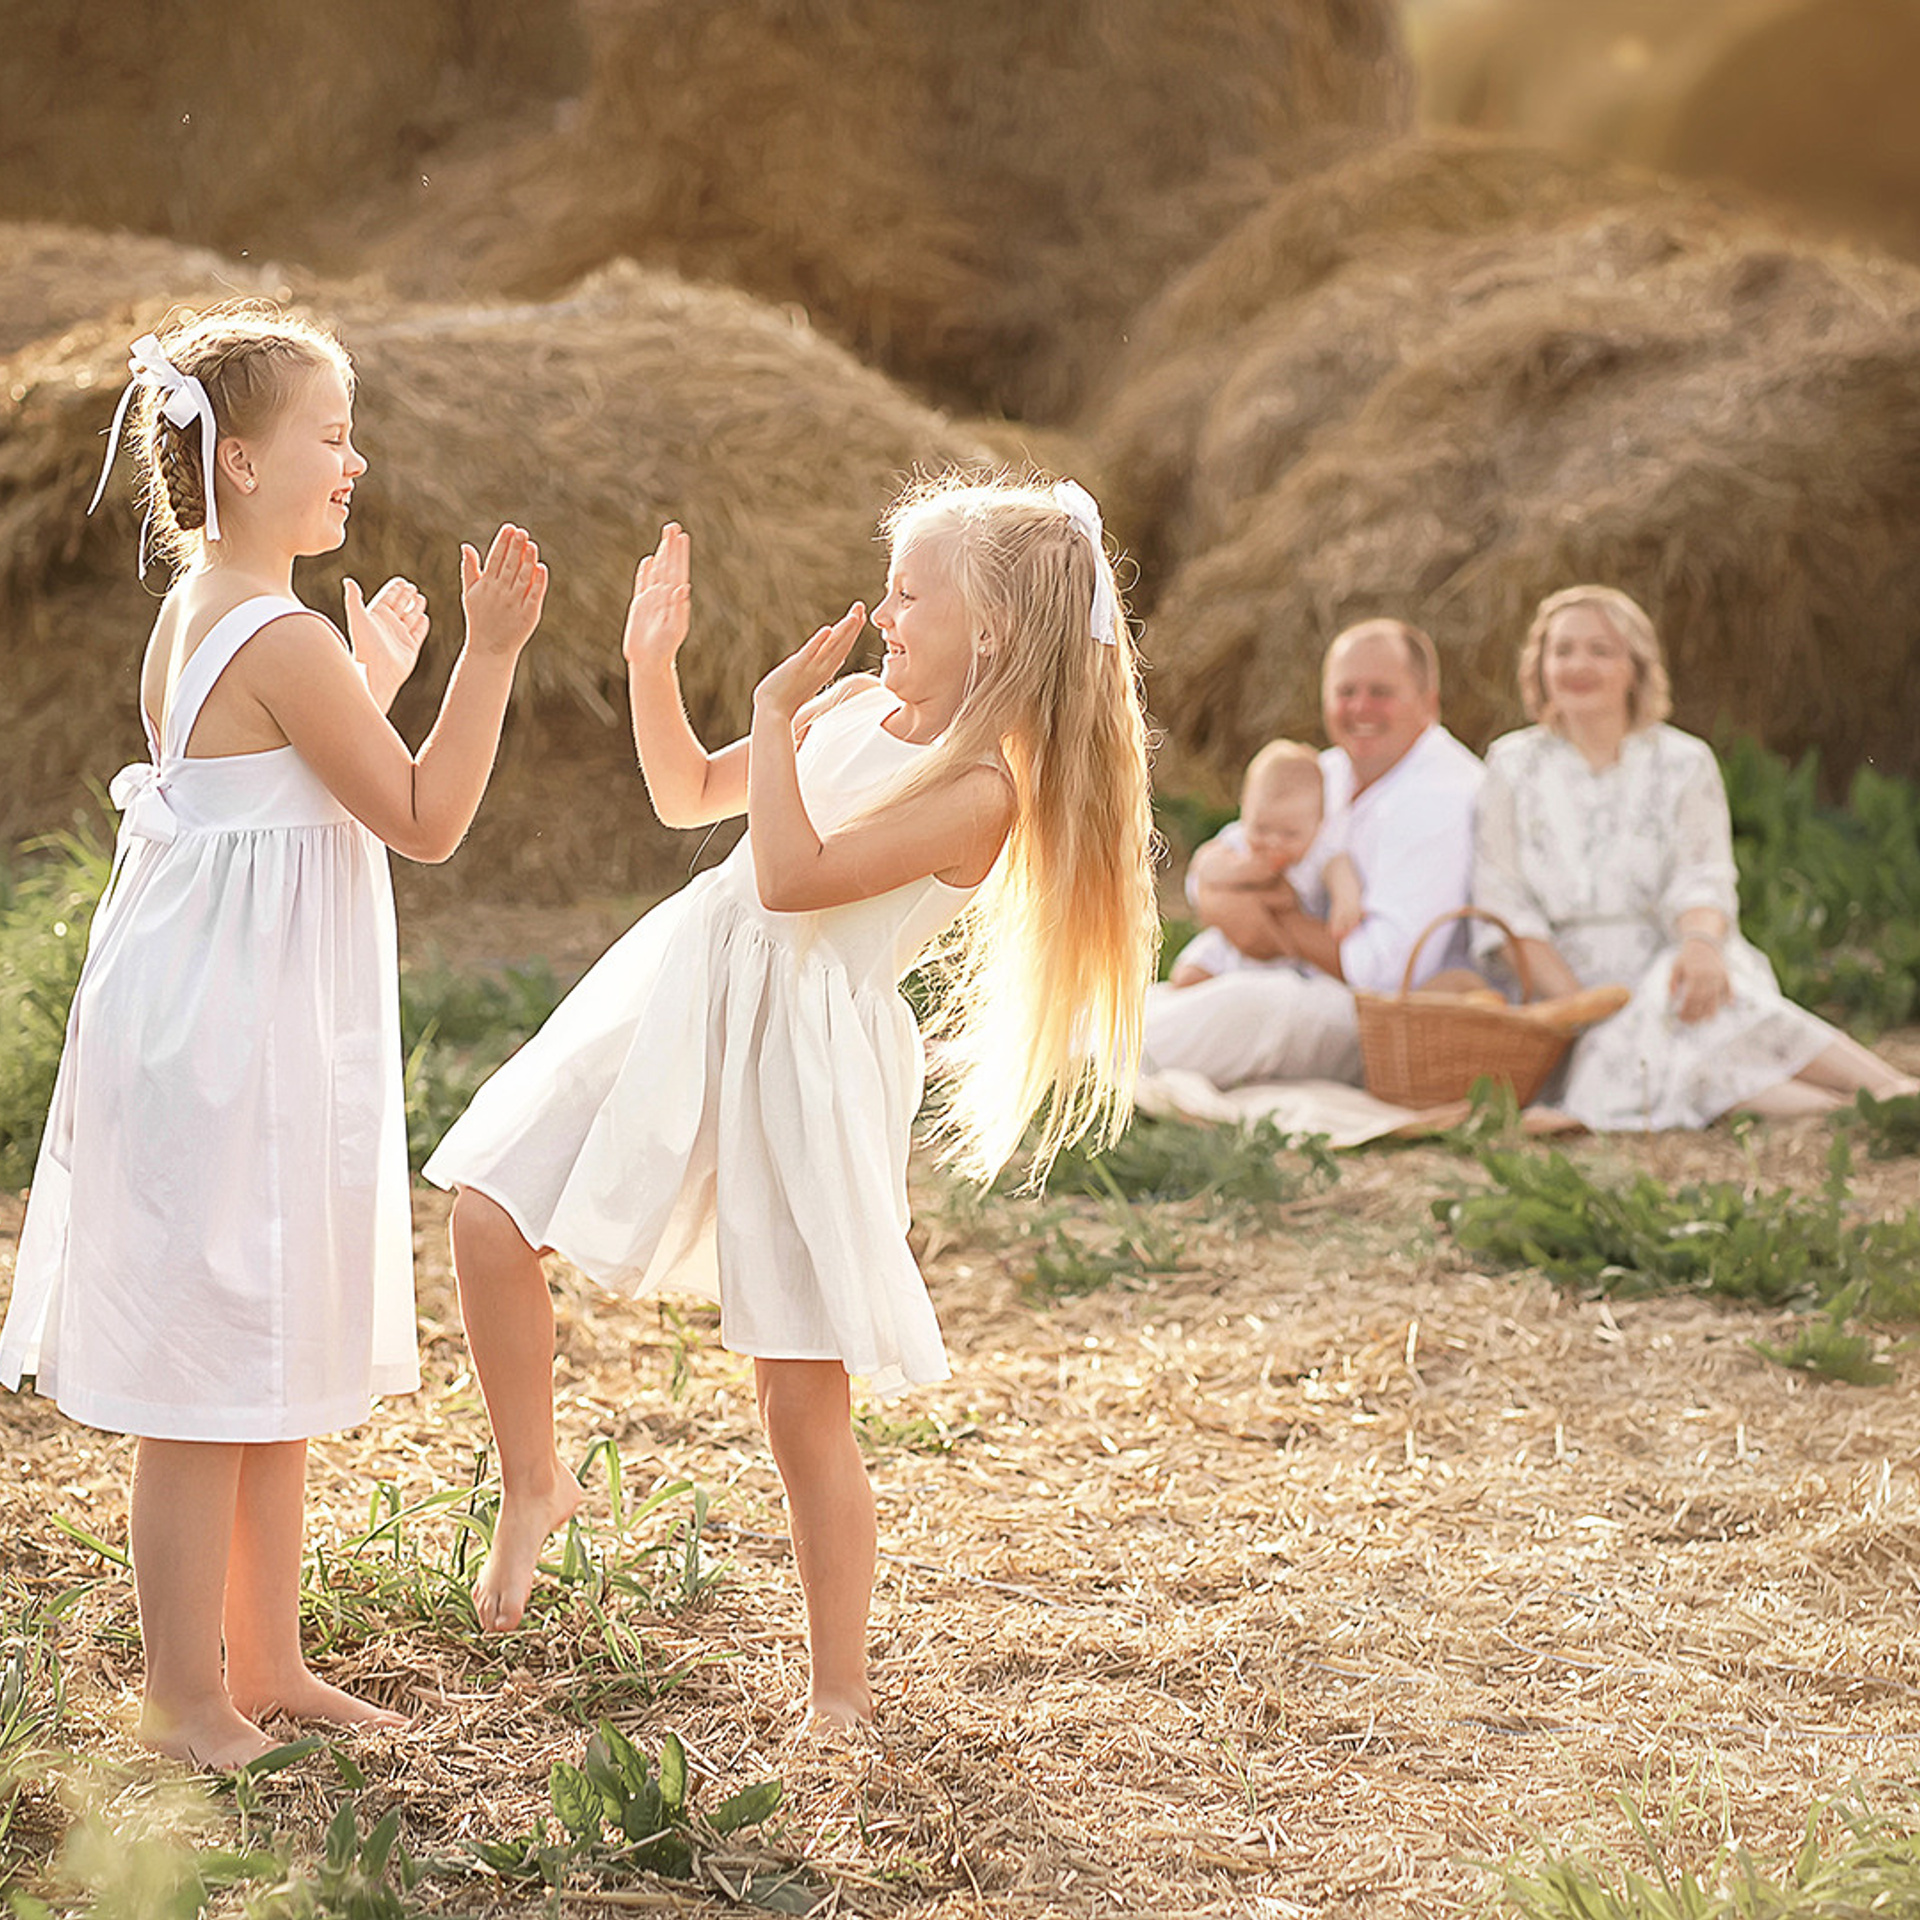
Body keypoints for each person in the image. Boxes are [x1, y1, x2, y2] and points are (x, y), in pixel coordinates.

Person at [424, 474, 1158, 1725]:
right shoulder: (866, 704)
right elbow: (682, 799)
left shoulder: (986, 794)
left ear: (988, 630)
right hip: (681, 990)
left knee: (798, 1400)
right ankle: (531, 1481)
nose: (880, 616)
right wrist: (653, 663)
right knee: (486, 1210)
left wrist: (774, 716)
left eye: (906, 594)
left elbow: (794, 875)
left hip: (804, 1055)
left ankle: (840, 1693)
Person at [0, 307, 549, 1769]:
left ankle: (269, 1660)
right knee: (201, 1370)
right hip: (235, 1035)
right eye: (331, 437)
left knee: (255, 1326)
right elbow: (424, 821)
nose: (354, 462)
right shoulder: (281, 635)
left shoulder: (208, 614)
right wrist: (487, 656)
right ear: (240, 464)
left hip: (208, 1018)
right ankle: (185, 1694)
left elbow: (278, 784)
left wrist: (365, 677)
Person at [1474, 586, 1919, 1127]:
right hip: (1569, 984)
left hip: (1679, 951)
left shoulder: (1684, 761)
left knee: (1691, 992)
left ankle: (1888, 1090)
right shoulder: (1511, 764)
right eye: (1562, 650)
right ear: (1538, 665)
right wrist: (1582, 1006)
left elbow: (1703, 876)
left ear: (1636, 668)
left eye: (1600, 650)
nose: (1577, 665)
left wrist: (1703, 945)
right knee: (1671, 1049)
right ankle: (1860, 1113)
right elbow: (1504, 903)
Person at [1143, 618, 1483, 1087]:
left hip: (1390, 1024)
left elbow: (1384, 972)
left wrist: (1274, 918)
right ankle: (1077, 1050)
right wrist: (1231, 895)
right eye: (1346, 692)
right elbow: (1211, 873)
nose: (1360, 707)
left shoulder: (1445, 795)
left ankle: (1093, 1073)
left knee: (1259, 1006)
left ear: (1429, 701)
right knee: (1171, 994)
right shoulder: (1327, 772)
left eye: (1381, 691)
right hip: (1305, 977)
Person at [1167, 740, 1363, 987]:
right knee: (1187, 975)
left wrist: (1347, 900)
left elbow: (1339, 867)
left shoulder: (1318, 852)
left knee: (1285, 990)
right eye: (1261, 828)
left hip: (1288, 957)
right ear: (1244, 810)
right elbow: (1204, 866)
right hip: (1230, 942)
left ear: (1318, 824)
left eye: (1289, 834)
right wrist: (1240, 870)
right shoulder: (1238, 840)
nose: (1273, 842)